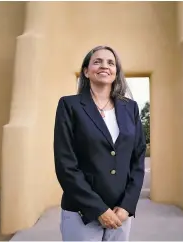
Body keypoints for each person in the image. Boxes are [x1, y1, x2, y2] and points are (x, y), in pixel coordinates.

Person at [53, 45, 146, 241]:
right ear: (86, 71)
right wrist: (98, 209)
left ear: (116, 72)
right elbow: (66, 165)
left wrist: (127, 205)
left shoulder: (131, 108)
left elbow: (137, 160)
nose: (105, 66)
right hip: (81, 213)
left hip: (121, 213)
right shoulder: (69, 106)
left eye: (110, 63)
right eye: (97, 62)